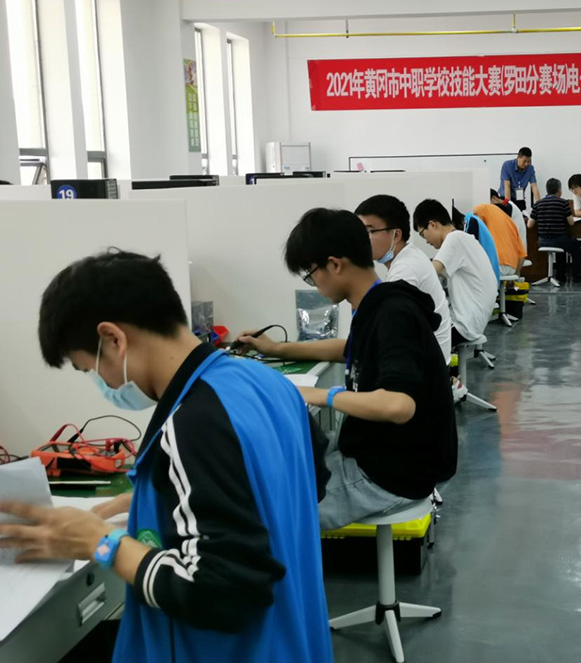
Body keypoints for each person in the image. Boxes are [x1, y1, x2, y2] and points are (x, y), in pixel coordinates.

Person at [0, 251, 332, 662]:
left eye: (90, 369)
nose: (102, 383)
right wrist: (158, 498)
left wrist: (102, 543)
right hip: (295, 640)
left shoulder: (193, 424)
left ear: (114, 339)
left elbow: (224, 593)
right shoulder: (267, 382)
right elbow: (309, 479)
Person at [237, 208, 457, 530]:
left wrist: (318, 395)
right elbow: (349, 349)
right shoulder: (375, 304)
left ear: (335, 264)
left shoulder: (393, 314)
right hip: (376, 452)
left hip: (393, 473)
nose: (315, 284)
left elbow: (399, 405)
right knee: (276, 467)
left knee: (258, 514)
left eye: (311, 274)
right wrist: (277, 349)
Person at [354, 194, 451, 364]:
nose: (361, 239)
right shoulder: (408, 255)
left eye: (369, 231)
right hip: (429, 356)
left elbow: (389, 330)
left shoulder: (405, 270)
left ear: (396, 235)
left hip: (426, 366)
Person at [413, 199, 498, 348]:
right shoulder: (463, 238)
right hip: (473, 320)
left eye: (422, 234)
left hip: (463, 325)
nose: (425, 241)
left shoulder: (454, 239)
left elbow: (429, 274)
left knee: (409, 336)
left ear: (432, 225)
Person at [528, 178, 581, 283]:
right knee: (574, 244)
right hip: (559, 240)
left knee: (562, 243)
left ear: (547, 190)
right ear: (559, 191)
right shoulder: (563, 203)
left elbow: (529, 225)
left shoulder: (538, 204)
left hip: (542, 241)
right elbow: (571, 222)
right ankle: (577, 275)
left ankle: (560, 275)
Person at [472, 202, 526, 277]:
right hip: (512, 268)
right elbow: (522, 255)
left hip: (498, 264)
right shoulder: (512, 223)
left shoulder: (483, 209)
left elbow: (474, 222)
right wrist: (516, 274)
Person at [461, 207, 501, 285]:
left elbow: (469, 253)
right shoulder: (474, 219)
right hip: (492, 271)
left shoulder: (471, 221)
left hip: (488, 277)